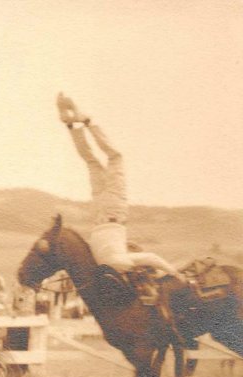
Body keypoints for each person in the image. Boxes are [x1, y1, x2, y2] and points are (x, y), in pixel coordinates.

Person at [56, 94, 181, 279]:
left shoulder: (122, 260)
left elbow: (151, 257)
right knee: (91, 161)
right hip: (98, 213)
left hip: (114, 211)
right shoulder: (97, 260)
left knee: (116, 157)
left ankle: (87, 122)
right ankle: (71, 125)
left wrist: (175, 273)